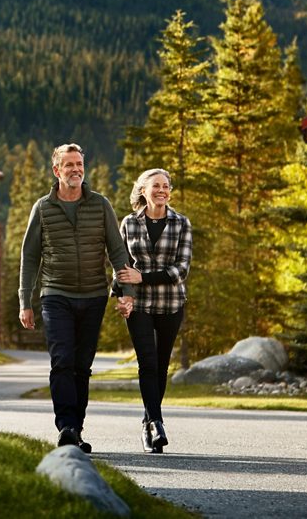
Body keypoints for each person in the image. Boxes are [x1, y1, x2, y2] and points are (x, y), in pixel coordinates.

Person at [19, 143, 137, 453]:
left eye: (79, 164)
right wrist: (24, 301)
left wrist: (127, 293)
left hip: (94, 295)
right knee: (62, 361)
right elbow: (29, 257)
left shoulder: (100, 205)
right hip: (55, 293)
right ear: (56, 171)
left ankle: (76, 430)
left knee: (82, 366)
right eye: (69, 165)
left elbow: (117, 251)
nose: (76, 170)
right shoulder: (42, 208)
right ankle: (66, 427)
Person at [113, 168, 192, 454]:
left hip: (171, 304)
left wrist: (143, 277)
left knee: (161, 364)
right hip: (140, 305)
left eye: (166, 186)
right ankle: (156, 424)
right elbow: (121, 266)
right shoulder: (129, 223)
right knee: (147, 362)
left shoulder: (181, 223)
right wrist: (122, 296)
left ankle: (148, 420)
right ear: (143, 191)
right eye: (156, 186)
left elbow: (180, 270)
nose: (162, 190)